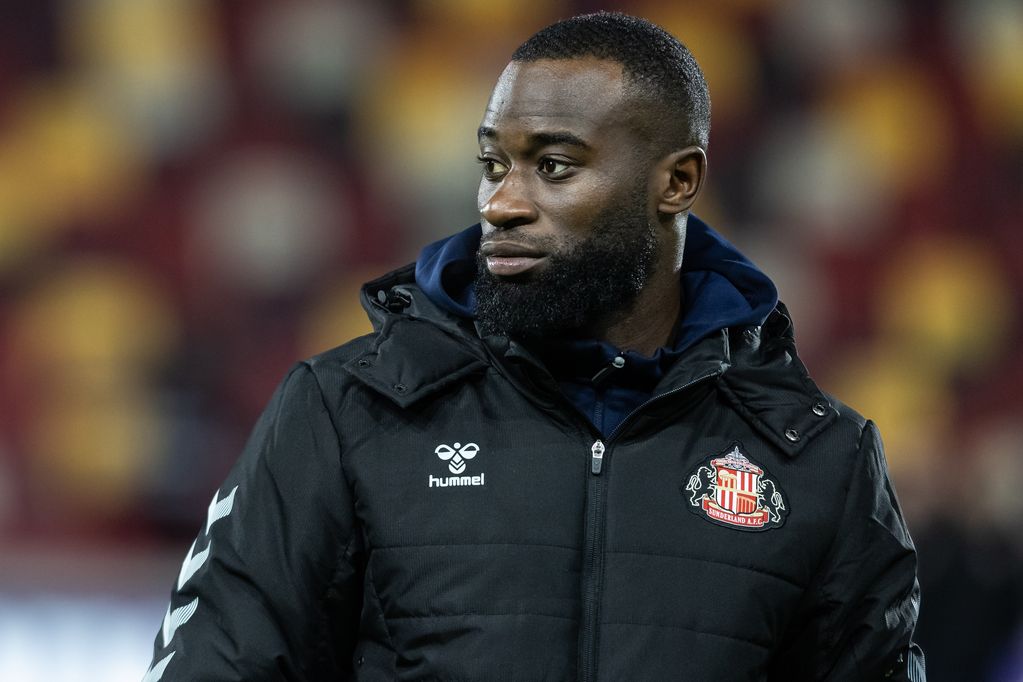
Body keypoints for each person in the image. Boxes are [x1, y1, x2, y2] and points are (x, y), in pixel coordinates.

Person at [145, 12, 925, 681]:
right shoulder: (347, 412)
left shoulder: (817, 458)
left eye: (553, 166)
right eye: (492, 164)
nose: (502, 204)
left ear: (677, 182)